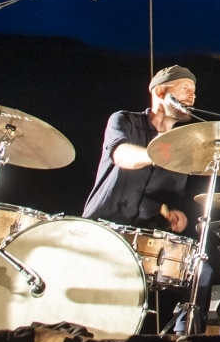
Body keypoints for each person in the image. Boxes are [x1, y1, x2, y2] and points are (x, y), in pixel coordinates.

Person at [82, 64, 200, 232]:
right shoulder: (124, 120)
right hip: (100, 229)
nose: (192, 96)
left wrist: (176, 214)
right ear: (160, 92)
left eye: (194, 91)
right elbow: (120, 155)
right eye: (184, 88)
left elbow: (171, 199)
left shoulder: (181, 148)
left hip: (144, 240)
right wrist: (156, 154)